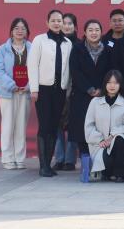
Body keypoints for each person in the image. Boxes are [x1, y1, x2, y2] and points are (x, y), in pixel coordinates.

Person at [27, 9, 73, 177]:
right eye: (53, 20)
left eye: (59, 20)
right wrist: (34, 89)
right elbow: (32, 65)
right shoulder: (39, 40)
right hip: (43, 89)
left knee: (54, 127)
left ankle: (49, 164)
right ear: (47, 22)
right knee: (44, 126)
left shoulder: (68, 42)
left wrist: (68, 89)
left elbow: (68, 69)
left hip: (60, 90)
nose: (56, 23)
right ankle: (43, 165)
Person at [68, 20, 112, 175]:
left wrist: (101, 89)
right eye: (90, 30)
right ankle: (86, 165)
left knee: (100, 129)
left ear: (101, 32)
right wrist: (89, 89)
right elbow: (75, 71)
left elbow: (110, 72)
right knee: (82, 131)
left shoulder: (107, 49)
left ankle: (100, 164)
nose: (94, 33)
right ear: (85, 32)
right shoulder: (77, 48)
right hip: (82, 95)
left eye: (97, 30)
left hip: (102, 95)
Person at [0, 17, 31, 170]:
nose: (20, 31)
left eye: (23, 28)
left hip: (25, 93)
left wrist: (29, 86)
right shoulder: (3, 49)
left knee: (21, 126)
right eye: (16, 28)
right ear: (11, 31)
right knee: (8, 125)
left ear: (27, 31)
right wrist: (11, 85)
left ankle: (20, 158)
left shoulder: (32, 48)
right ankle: (8, 158)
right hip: (8, 93)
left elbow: (37, 69)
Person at [84, 70, 124, 183]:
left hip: (119, 146)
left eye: (116, 83)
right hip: (99, 145)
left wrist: (113, 135)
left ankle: (120, 175)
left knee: (120, 139)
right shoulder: (95, 102)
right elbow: (89, 126)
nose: (112, 86)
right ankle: (106, 172)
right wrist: (101, 140)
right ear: (105, 84)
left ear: (120, 85)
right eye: (109, 82)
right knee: (106, 164)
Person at [53, 12, 80, 171]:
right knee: (57, 124)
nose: (67, 26)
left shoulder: (80, 44)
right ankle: (59, 158)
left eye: (70, 23)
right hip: (57, 88)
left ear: (75, 27)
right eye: (64, 23)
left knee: (71, 125)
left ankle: (70, 160)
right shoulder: (54, 42)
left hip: (75, 89)